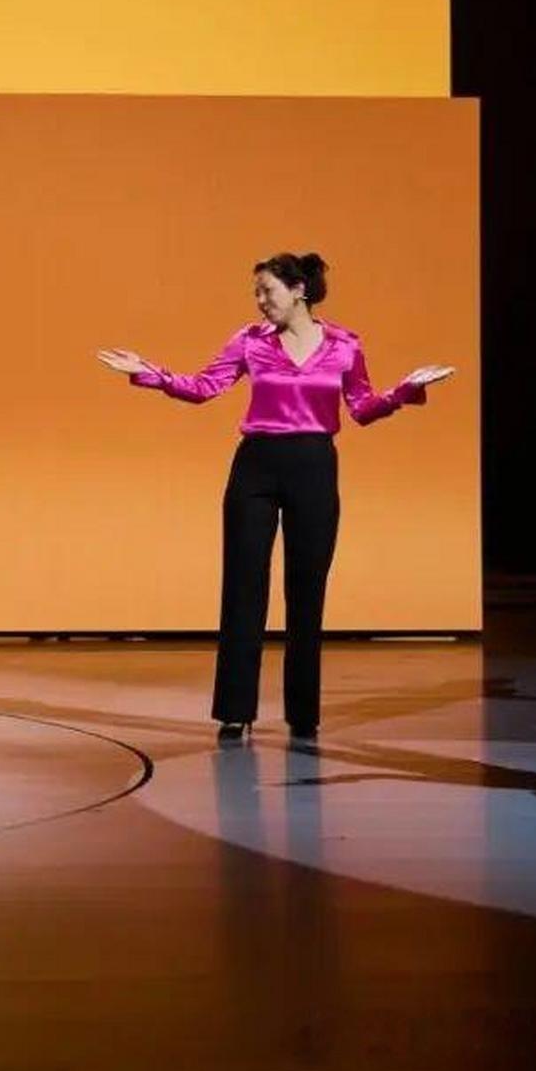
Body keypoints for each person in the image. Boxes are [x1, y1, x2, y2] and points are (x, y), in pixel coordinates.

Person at [95, 253, 455, 744]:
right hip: (256, 466)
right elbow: (203, 387)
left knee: (307, 589)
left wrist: (405, 390)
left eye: (267, 290)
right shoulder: (249, 341)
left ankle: (303, 712)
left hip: (314, 465)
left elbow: (363, 407)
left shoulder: (345, 345)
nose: (260, 301)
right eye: (257, 293)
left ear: (299, 289)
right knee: (244, 586)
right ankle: (235, 711)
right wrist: (150, 372)